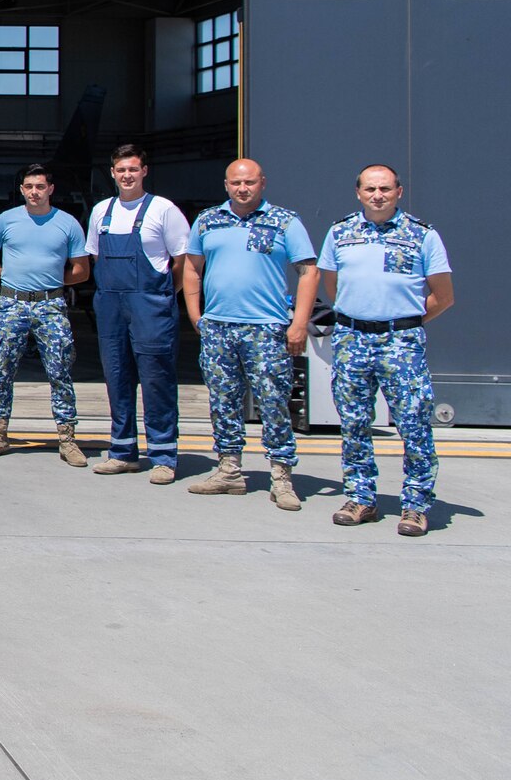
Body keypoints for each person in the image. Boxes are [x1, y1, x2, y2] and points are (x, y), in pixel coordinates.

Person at [320, 165, 453, 536]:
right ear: (358, 193)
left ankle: (415, 505)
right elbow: (333, 286)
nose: (377, 195)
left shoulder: (422, 235)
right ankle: (360, 497)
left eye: (385, 188)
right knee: (354, 422)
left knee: (413, 424)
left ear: (399, 192)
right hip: (352, 340)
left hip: (401, 343)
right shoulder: (339, 232)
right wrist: (364, 316)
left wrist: (401, 321)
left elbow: (443, 296)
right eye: (370, 189)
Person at [181, 158, 318, 510]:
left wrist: (299, 322)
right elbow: (192, 269)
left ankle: (282, 476)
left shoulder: (285, 222)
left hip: (266, 329)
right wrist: (197, 315)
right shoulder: (208, 221)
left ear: (263, 183)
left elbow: (308, 272)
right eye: (236, 183)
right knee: (222, 401)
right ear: (226, 185)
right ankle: (229, 470)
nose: (243, 189)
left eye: (250, 182)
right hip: (219, 328)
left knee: (273, 402)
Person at [84, 145, 190, 483]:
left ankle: (163, 455)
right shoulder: (102, 211)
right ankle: (123, 451)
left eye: (133, 169)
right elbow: (97, 259)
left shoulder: (164, 210)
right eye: (120, 170)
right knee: (117, 377)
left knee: (157, 379)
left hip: (151, 306)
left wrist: (160, 296)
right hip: (112, 305)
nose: (127, 175)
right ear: (112, 173)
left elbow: (182, 262)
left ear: (144, 171)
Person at [0, 165, 91, 465]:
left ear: (50, 189)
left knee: (59, 370)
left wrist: (52, 279)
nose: (34, 192)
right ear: (22, 190)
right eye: (28, 187)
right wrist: (6, 274)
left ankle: (67, 438)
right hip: (12, 303)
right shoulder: (6, 220)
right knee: (2, 368)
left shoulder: (67, 224)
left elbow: (81, 270)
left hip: (50, 305)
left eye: (40, 186)